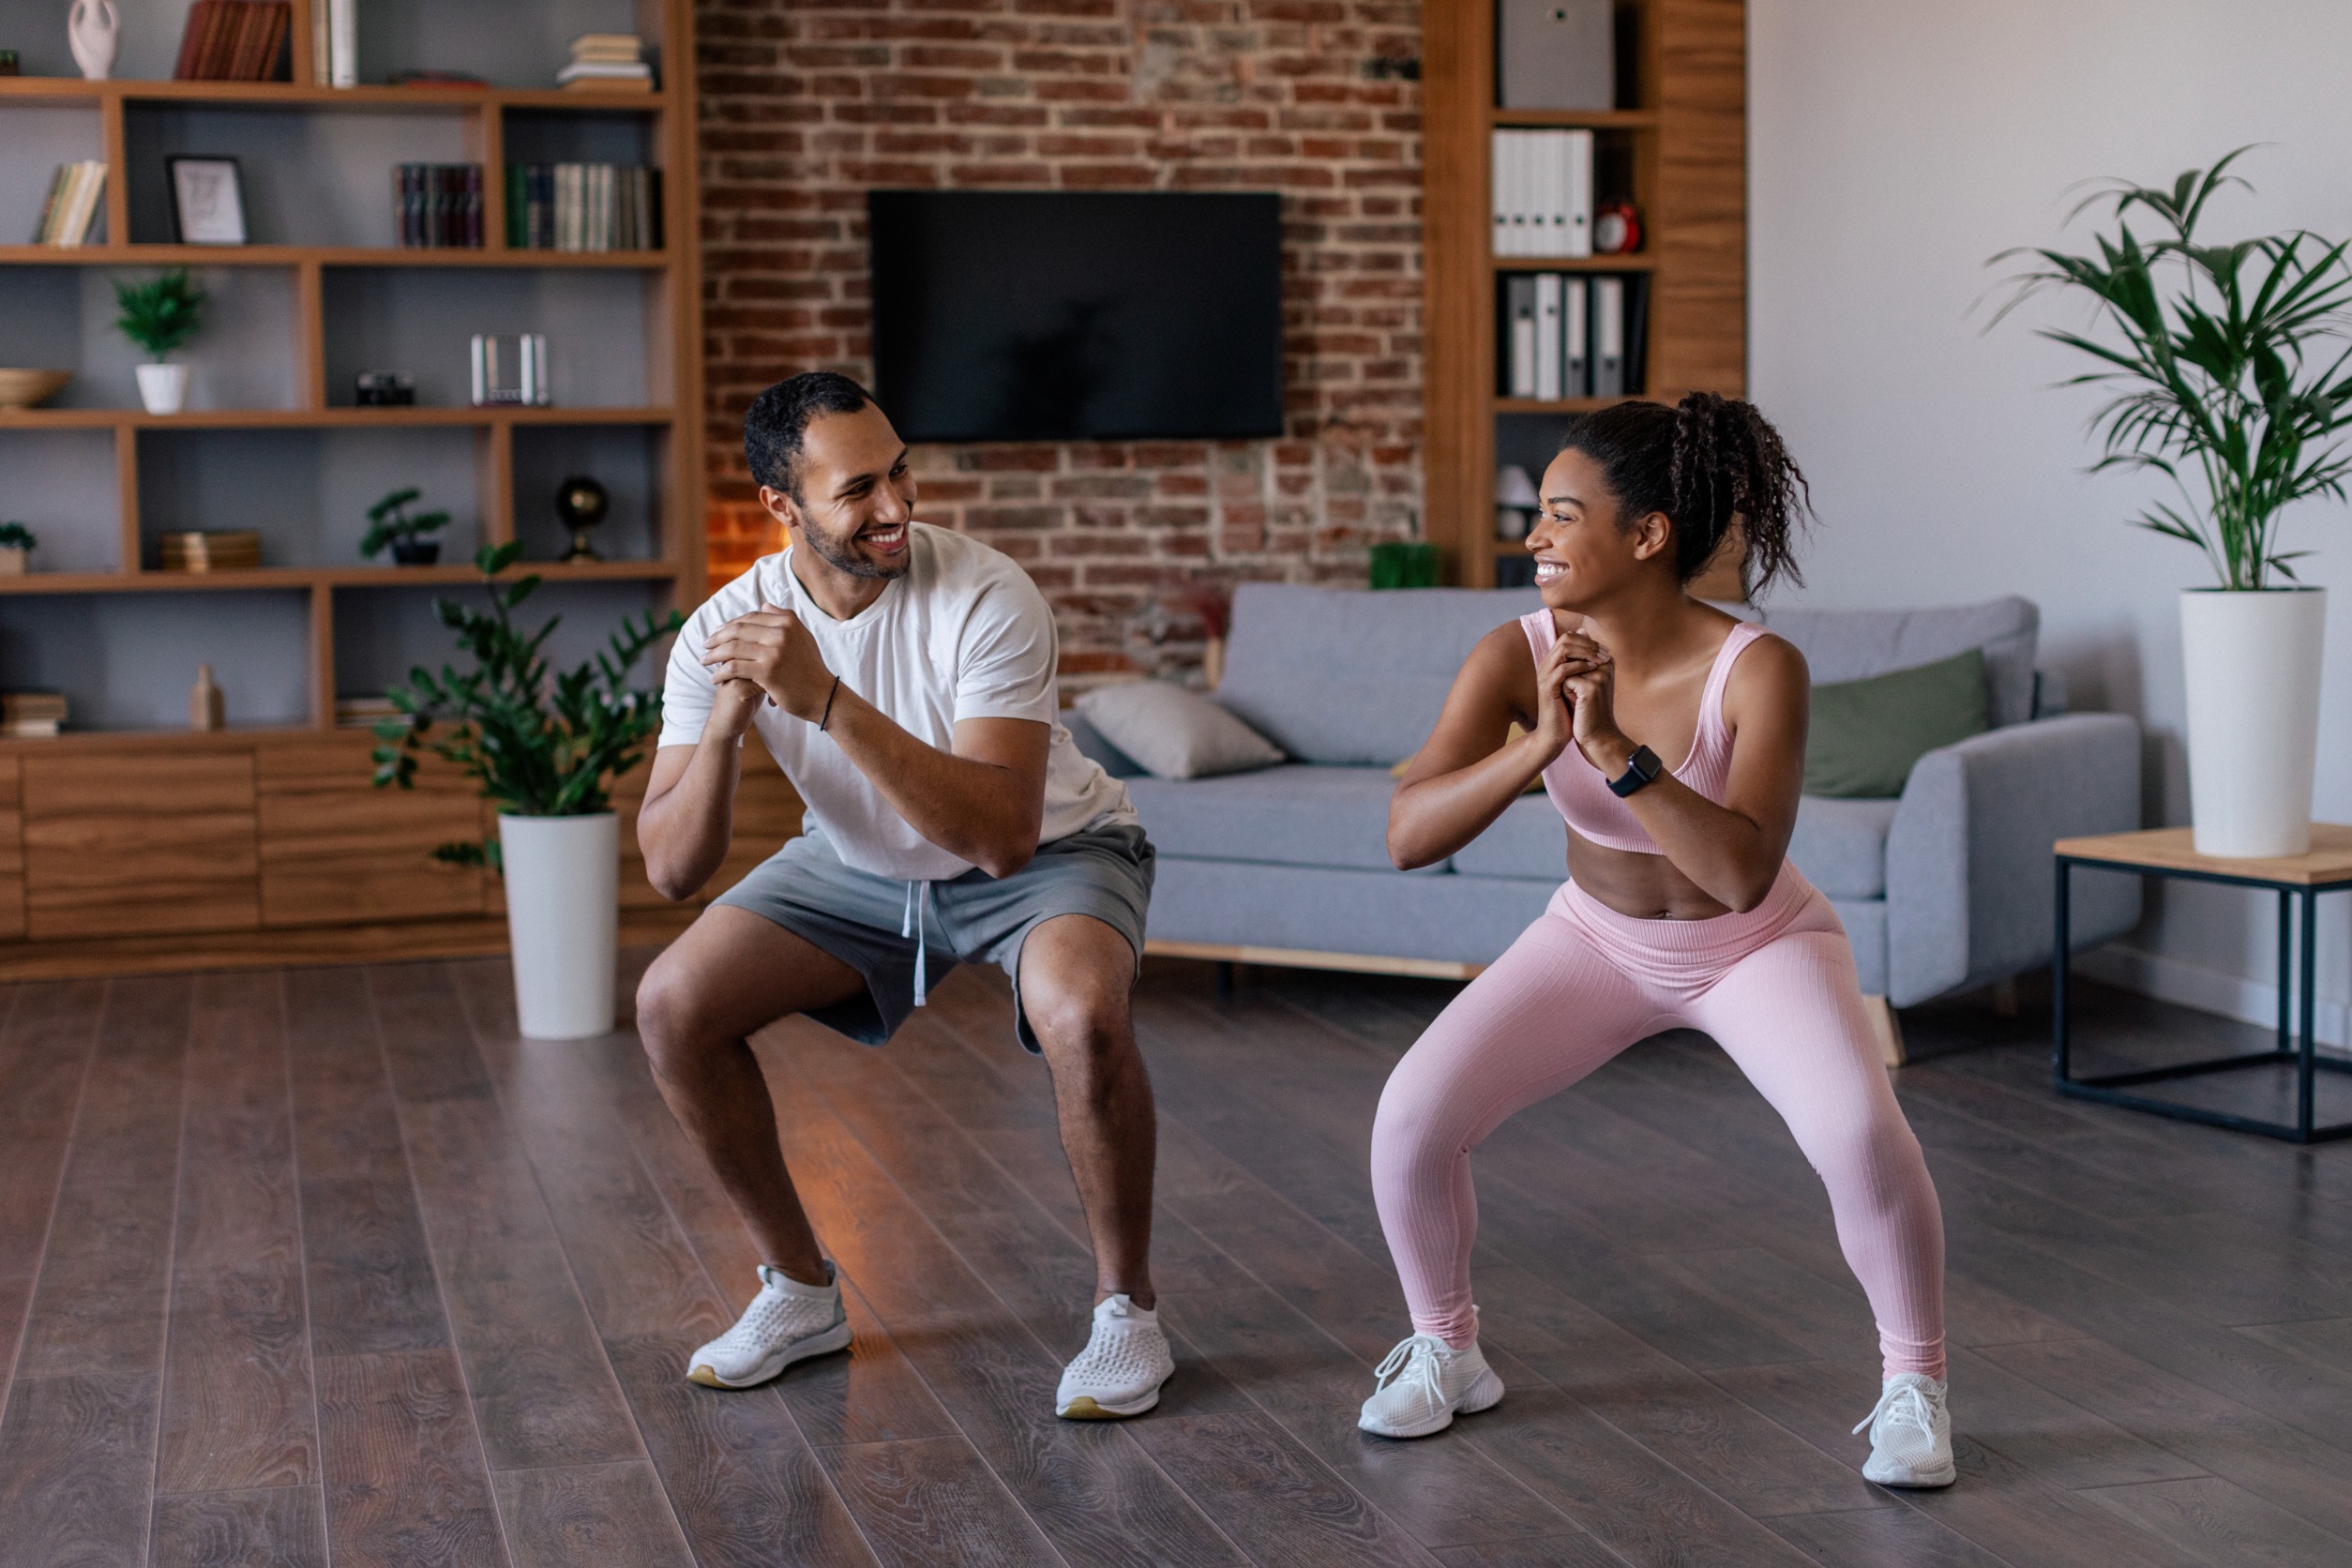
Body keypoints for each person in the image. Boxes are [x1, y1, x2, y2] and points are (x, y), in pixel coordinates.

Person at [1358, 394, 1953, 1487]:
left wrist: (1617, 748)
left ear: (1645, 536)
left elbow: (1739, 873)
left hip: (1757, 944)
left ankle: (1915, 1386)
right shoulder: (1513, 650)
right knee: (1412, 1115)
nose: (1533, 536)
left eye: (1560, 514)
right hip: (1596, 939)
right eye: (1537, 514)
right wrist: (1540, 742)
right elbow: (1407, 833)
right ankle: (1447, 1347)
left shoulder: (1758, 669)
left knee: (1861, 1137)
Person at [634, 370, 1174, 1421]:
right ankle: (798, 1289)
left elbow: (1000, 834)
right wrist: (730, 729)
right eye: (858, 491)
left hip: (1050, 852)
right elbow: (669, 866)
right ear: (783, 508)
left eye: (901, 472)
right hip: (857, 861)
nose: (897, 508)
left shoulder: (987, 594)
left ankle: (1128, 1311)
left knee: (1084, 1015)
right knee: (672, 1004)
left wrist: (825, 700)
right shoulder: (725, 625)